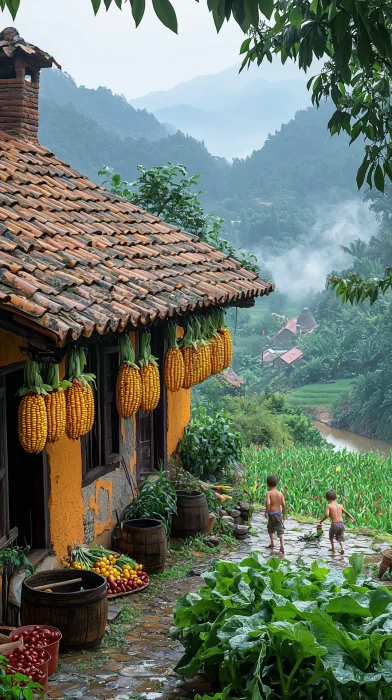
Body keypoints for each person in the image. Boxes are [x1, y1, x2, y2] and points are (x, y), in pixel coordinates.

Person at [319, 489, 355, 555]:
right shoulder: (340, 506)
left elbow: (327, 514)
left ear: (326, 498)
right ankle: (342, 548)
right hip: (342, 524)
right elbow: (346, 513)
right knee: (340, 536)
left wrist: (321, 520)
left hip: (334, 524)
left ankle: (333, 548)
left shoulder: (329, 506)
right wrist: (352, 518)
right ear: (336, 497)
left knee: (331, 536)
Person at [264, 474, 286, 553]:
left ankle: (272, 542)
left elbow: (268, 504)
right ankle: (282, 545)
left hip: (271, 514)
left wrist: (265, 512)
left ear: (267, 484)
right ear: (277, 484)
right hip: (278, 514)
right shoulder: (280, 493)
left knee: (270, 528)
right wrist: (284, 514)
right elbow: (283, 505)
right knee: (280, 530)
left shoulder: (268, 493)